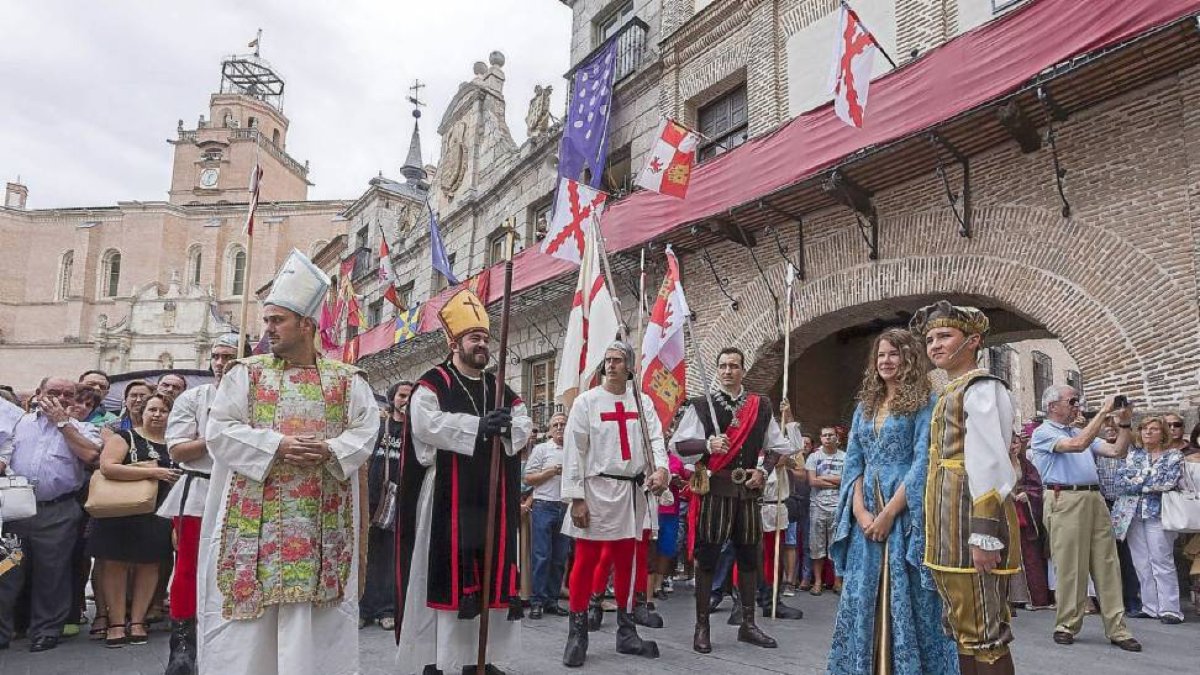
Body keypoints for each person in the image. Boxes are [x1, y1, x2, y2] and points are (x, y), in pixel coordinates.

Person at [199, 250, 379, 675]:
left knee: (312, 625)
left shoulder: (347, 379)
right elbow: (219, 431)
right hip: (255, 524)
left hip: (323, 521)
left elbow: (366, 431)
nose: (268, 329)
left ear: (307, 324)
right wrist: (276, 445)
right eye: (266, 320)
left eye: (277, 320)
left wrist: (332, 450)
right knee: (253, 630)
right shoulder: (247, 373)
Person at [394, 288, 532, 675]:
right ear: (454, 343)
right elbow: (426, 425)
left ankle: (481, 660)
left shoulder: (498, 385)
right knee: (446, 575)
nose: (482, 345)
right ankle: (441, 660)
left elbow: (524, 423)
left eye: (486, 339)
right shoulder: (433, 383)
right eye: (474, 338)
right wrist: (477, 427)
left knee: (490, 574)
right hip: (446, 497)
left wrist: (507, 430)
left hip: (492, 496)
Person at [827, 327, 959, 674]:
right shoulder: (865, 407)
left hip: (905, 510)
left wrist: (887, 514)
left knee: (908, 593)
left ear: (908, 358)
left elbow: (923, 461)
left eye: (894, 354)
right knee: (860, 593)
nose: (886, 361)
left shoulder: (925, 402)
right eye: (881, 355)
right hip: (865, 507)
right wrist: (859, 510)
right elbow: (853, 460)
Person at [911, 301, 1020, 674]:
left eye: (945, 335)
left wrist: (984, 533)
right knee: (963, 628)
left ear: (972, 340)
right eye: (929, 339)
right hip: (948, 529)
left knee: (985, 630)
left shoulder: (982, 388)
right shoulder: (950, 391)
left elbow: (990, 461)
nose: (935, 344)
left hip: (972, 526)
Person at [670, 346, 798, 654]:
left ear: (743, 370)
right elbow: (678, 446)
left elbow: (779, 446)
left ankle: (748, 625)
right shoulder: (702, 405)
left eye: (734, 366)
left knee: (750, 558)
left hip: (748, 495)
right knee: (708, 560)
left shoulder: (761, 405)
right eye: (723, 366)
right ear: (717, 370)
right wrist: (707, 443)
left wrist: (763, 469)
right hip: (716, 492)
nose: (729, 371)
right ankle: (702, 627)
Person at [558, 341, 669, 667]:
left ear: (630, 366)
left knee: (626, 562)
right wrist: (576, 497)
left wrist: (660, 468)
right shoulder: (586, 402)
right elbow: (574, 451)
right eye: (607, 360)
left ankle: (626, 631)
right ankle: (577, 634)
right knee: (586, 561)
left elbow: (655, 440)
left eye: (618, 360)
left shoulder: (642, 402)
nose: (611, 365)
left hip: (631, 492)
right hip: (595, 490)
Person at [1029, 384, 1141, 652]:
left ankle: (1118, 628)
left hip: (1094, 498)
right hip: (1064, 498)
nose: (1077, 405)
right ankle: (1066, 624)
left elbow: (1118, 452)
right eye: (1072, 401)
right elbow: (1077, 446)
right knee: (1070, 566)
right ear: (1052, 406)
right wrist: (1103, 412)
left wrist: (1124, 425)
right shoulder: (1043, 433)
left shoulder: (1079, 430)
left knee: (1107, 563)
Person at [0, 377, 102, 652]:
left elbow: (92, 456)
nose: (61, 398)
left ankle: (46, 630)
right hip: (15, 510)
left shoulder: (83, 428)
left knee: (52, 573)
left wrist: (62, 424)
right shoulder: (19, 424)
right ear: (38, 394)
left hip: (57, 511)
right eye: (53, 392)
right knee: (6, 572)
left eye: (68, 394)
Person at [158, 333, 239, 673]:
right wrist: (218, 438)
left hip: (239, 492)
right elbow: (178, 449)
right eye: (216, 356)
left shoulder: (259, 400)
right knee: (188, 568)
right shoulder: (194, 398)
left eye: (228, 357)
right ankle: (182, 646)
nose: (220, 364)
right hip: (200, 491)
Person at [87, 393, 181, 647]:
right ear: (142, 411)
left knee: (150, 565)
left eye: (163, 410)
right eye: (152, 409)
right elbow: (108, 467)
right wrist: (154, 471)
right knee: (115, 565)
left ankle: (138, 621)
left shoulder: (175, 443)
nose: (157, 414)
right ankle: (117, 623)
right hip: (119, 510)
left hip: (158, 512)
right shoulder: (125, 437)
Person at [1111, 416, 1185, 624]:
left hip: (1158, 513)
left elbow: (1168, 481)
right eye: (1144, 428)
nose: (1148, 432)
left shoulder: (1173, 456)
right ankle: (1150, 606)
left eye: (1154, 429)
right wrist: (1145, 482)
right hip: (1132, 514)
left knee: (1162, 560)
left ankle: (1170, 609)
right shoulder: (1134, 455)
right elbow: (1121, 480)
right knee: (1141, 561)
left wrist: (1138, 482)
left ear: (1163, 433)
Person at [360, 380, 412, 631]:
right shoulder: (378, 427)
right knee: (368, 556)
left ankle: (387, 609)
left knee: (392, 557)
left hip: (400, 503)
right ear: (393, 399)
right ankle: (364, 609)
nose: (406, 400)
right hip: (372, 501)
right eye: (402, 395)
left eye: (411, 396)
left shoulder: (415, 431)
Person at [523, 412, 570, 620]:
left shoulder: (574, 450)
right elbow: (529, 478)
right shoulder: (542, 450)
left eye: (563, 424)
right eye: (556, 424)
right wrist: (549, 472)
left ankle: (552, 600)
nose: (560, 427)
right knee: (541, 556)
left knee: (560, 557)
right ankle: (537, 601)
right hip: (544, 506)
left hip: (565, 507)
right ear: (550, 429)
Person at [1010, 428, 1052, 610]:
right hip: (1007, 511)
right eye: (1011, 443)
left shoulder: (1027, 466)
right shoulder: (999, 464)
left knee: (1030, 554)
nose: (1014, 447)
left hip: (1025, 514)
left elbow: (1036, 486)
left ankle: (1034, 596)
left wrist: (1027, 494)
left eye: (1016, 442)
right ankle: (1013, 596)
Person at [807, 426, 845, 596]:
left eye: (831, 435)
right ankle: (817, 582)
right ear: (820, 438)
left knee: (836, 544)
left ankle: (837, 581)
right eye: (824, 435)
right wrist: (836, 481)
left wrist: (823, 477)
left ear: (837, 437)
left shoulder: (845, 457)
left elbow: (846, 481)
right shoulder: (814, 457)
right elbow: (812, 482)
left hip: (838, 506)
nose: (828, 438)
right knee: (817, 545)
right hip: (817, 506)